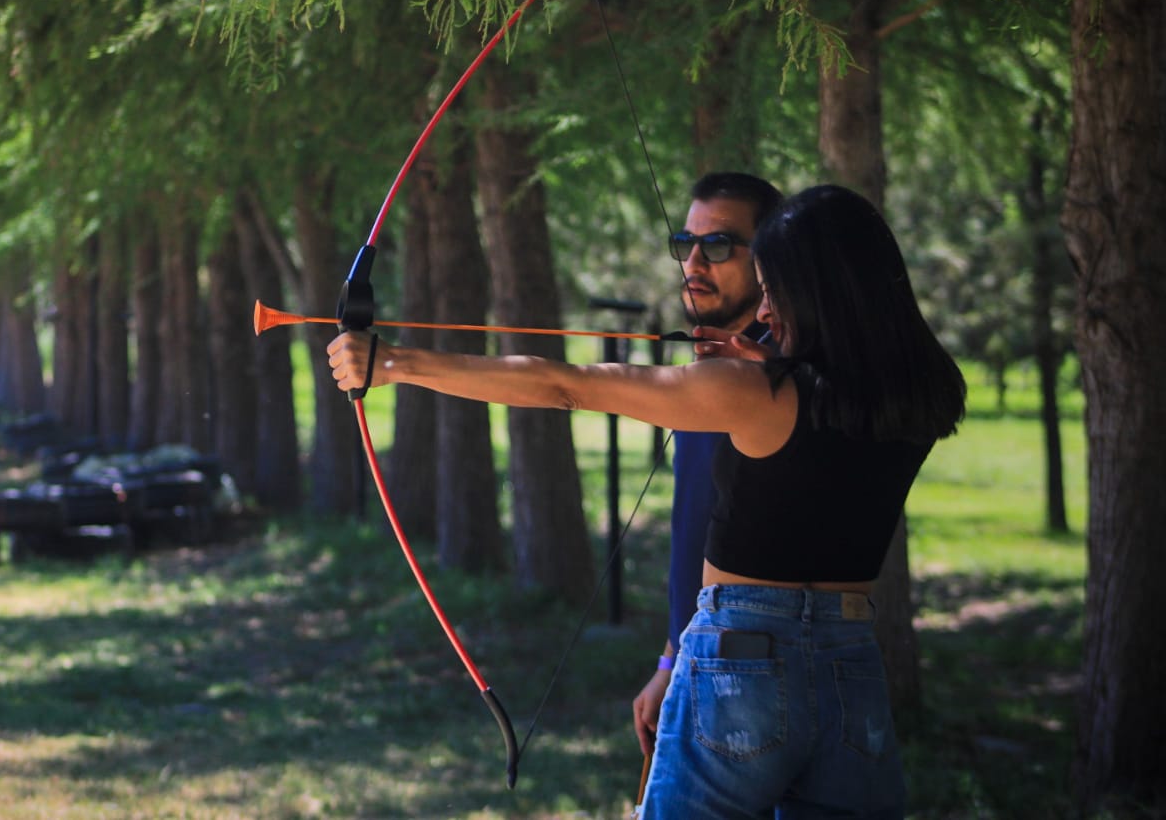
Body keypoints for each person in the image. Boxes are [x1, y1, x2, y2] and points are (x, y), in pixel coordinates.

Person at [328, 184, 966, 819]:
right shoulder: (925, 393)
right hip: (851, 666)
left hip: (740, 663)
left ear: (817, 291)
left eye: (775, 292)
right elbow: (831, 411)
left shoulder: (754, 393)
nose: (766, 314)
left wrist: (394, 362)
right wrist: (763, 363)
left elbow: (564, 386)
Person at [633, 172, 783, 764]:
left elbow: (562, 386)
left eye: (717, 246)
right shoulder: (712, 364)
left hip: (752, 673)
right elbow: (698, 529)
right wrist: (671, 659)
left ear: (768, 259)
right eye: (684, 244)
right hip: (701, 659)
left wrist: (398, 364)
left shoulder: (777, 375)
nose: (693, 261)